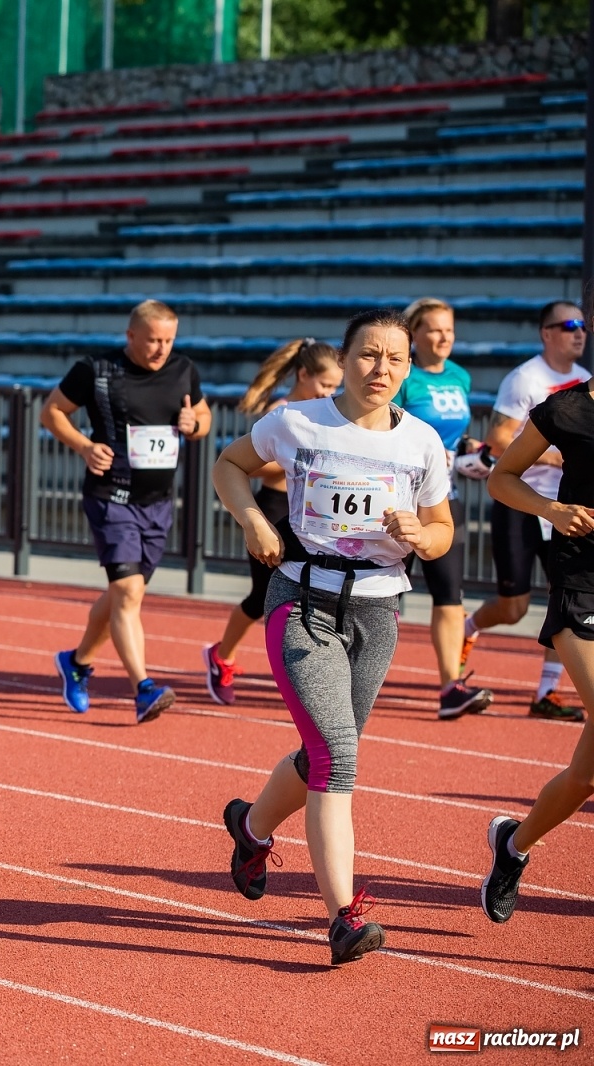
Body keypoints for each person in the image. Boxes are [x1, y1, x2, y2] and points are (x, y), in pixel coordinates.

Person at [214, 308, 453, 965]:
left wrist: (422, 537)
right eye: (369, 355)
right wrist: (252, 522)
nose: (382, 370)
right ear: (343, 361)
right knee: (339, 755)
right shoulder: (297, 421)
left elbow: (443, 530)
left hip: (378, 610)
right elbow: (229, 465)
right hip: (303, 600)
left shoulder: (422, 443)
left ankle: (252, 826)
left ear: (409, 369)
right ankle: (344, 917)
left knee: (325, 750)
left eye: (395, 360)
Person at [43, 300, 212, 723]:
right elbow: (52, 412)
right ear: (131, 336)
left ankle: (77, 662)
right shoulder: (95, 369)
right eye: (153, 340)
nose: (161, 349)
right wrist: (83, 446)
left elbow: (204, 416)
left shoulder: (184, 369)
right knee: (129, 592)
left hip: (158, 502)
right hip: (110, 495)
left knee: (125, 594)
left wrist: (196, 424)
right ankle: (143, 687)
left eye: (168, 340)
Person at [479, 368, 594, 922]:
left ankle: (513, 845)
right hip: (582, 584)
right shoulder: (565, 409)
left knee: (587, 775)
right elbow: (502, 477)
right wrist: (552, 511)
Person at [462, 301, 589, 722]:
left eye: (582, 326)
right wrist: (555, 455)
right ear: (546, 333)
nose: (578, 332)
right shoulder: (526, 379)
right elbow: (497, 440)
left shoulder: (587, 382)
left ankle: (547, 692)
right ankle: (468, 628)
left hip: (570, 509)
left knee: (563, 594)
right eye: (568, 325)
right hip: (525, 502)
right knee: (514, 607)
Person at [203, 339, 342, 705]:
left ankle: (309, 674)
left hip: (312, 513)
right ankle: (221, 656)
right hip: (274, 510)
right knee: (264, 597)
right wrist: (293, 463)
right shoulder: (283, 413)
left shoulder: (328, 415)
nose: (330, 393)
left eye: (335, 387)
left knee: (308, 594)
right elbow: (255, 467)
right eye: (325, 385)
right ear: (303, 375)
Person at [393, 299, 495, 720]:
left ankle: (450, 687)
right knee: (384, 597)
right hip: (396, 501)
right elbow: (387, 426)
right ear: (414, 335)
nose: (444, 337)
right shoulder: (404, 377)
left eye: (449, 329)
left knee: (450, 595)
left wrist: (469, 450)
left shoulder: (460, 376)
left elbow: (456, 435)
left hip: (439, 499)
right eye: (434, 330)